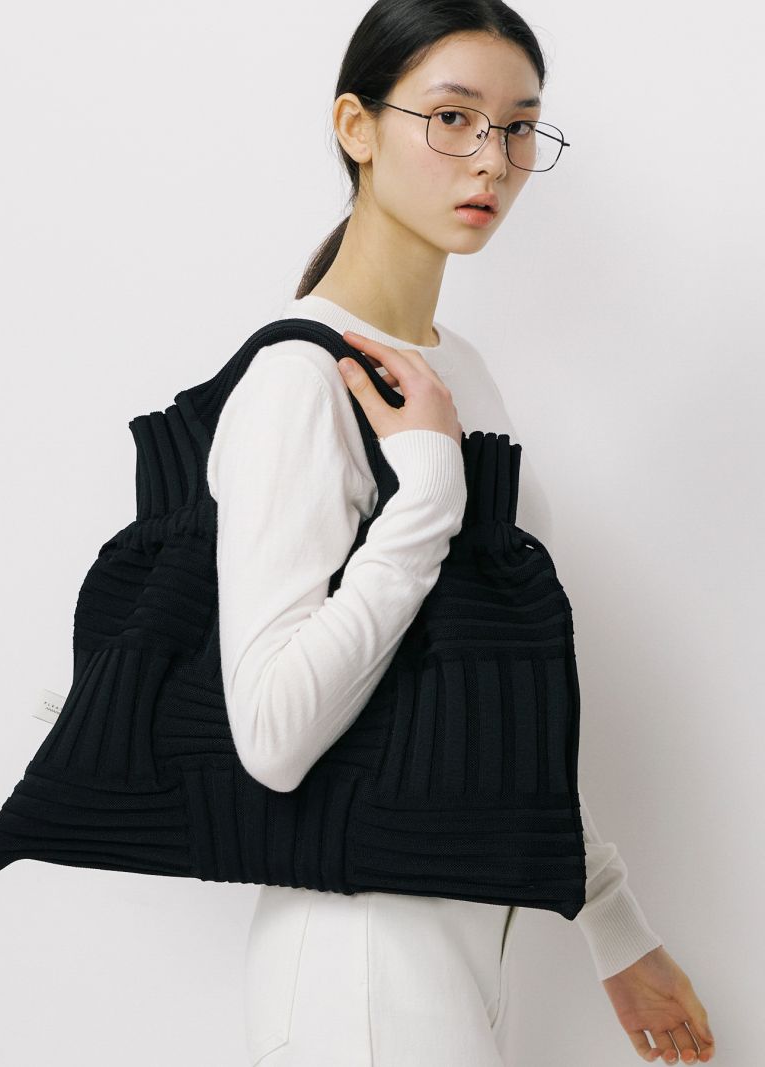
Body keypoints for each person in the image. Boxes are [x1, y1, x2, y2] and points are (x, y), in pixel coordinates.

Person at [206, 3, 716, 1063]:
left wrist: (612, 922)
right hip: (353, 953)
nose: (492, 159)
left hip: (465, 943)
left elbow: (498, 692)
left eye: (519, 126)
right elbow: (272, 735)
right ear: (355, 126)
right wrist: (429, 493)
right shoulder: (297, 379)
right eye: (452, 118)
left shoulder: (460, 369)